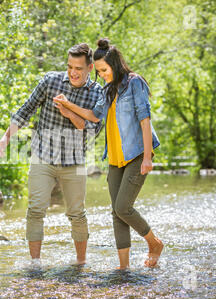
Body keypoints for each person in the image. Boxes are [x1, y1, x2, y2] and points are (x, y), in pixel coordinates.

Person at [53, 38, 163, 269]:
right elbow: (94, 115)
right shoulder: (107, 89)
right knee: (116, 212)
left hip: (135, 154)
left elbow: (145, 119)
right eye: (99, 71)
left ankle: (154, 243)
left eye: (104, 69)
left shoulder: (135, 83)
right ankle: (123, 267)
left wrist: (146, 156)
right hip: (114, 158)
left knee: (123, 207)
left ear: (114, 64)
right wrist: (68, 105)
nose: (101, 74)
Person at [0, 43, 103, 265]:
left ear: (90, 68)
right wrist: (7, 136)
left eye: (79, 69)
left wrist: (68, 108)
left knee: (77, 214)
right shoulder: (50, 81)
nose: (73, 72)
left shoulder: (97, 93)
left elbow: (93, 129)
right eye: (70, 67)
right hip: (42, 156)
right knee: (35, 210)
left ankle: (80, 263)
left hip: (74, 161)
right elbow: (26, 109)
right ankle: (35, 263)